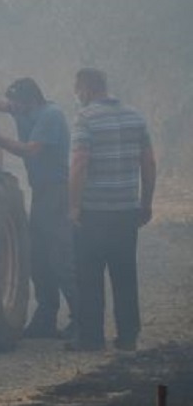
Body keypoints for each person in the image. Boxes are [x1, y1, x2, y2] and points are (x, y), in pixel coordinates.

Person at [0, 78, 77, 339]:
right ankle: (46, 316)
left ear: (32, 99)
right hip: (41, 191)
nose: (12, 108)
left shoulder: (50, 116)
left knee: (61, 256)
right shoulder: (22, 108)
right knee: (38, 256)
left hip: (57, 192)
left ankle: (81, 317)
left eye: (16, 103)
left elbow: (31, 151)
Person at [66, 68, 156, 352]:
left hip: (94, 211)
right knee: (125, 275)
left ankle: (91, 338)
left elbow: (80, 162)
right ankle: (128, 336)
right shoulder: (135, 116)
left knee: (89, 276)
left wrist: (74, 206)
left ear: (87, 88)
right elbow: (149, 163)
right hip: (126, 210)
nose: (77, 95)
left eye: (77, 89)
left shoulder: (85, 118)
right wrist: (146, 202)